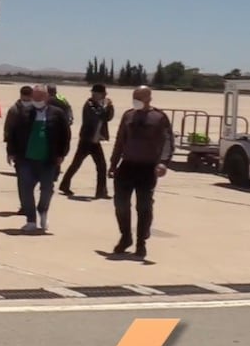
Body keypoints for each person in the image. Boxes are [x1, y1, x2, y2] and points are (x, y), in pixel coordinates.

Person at [109, 86, 174, 257]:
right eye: (134, 96)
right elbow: (120, 140)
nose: (135, 99)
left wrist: (163, 163)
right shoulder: (128, 115)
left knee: (144, 206)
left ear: (149, 98)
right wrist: (113, 163)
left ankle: (141, 242)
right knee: (120, 204)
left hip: (147, 167)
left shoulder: (159, 117)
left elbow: (167, 141)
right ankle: (125, 237)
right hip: (127, 165)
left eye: (139, 96)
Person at [6, 85, 71, 232]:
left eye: (40, 98)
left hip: (48, 160)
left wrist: (62, 154)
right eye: (34, 97)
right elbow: (13, 133)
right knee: (26, 190)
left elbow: (65, 136)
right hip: (26, 160)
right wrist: (11, 152)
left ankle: (42, 210)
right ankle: (31, 220)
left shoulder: (58, 114)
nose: (36, 100)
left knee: (47, 189)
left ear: (47, 98)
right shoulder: (24, 113)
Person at [60, 83, 115, 199]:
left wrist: (110, 107)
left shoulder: (100, 105)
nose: (104, 96)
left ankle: (101, 191)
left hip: (95, 141)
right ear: (96, 94)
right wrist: (105, 107)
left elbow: (108, 118)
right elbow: (98, 115)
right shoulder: (89, 104)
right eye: (102, 93)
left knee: (101, 166)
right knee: (76, 164)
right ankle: (64, 185)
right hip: (86, 140)